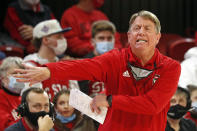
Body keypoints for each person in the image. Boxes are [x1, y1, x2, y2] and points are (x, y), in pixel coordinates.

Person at [14, 10, 181, 131]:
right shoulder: (115, 59)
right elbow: (83, 66)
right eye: (136, 28)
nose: (141, 32)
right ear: (129, 36)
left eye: (147, 28)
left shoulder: (171, 67)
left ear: (158, 37)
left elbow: (152, 105)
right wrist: (48, 70)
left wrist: (110, 100)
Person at [23, 19, 79, 99]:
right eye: (59, 36)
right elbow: (32, 100)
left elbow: (76, 99)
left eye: (63, 36)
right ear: (45, 40)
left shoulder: (65, 65)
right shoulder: (30, 64)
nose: (63, 40)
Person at [0, 57, 26, 130]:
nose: (19, 76)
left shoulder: (27, 97)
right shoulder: (1, 98)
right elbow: (5, 127)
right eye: (14, 73)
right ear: (3, 79)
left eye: (21, 73)